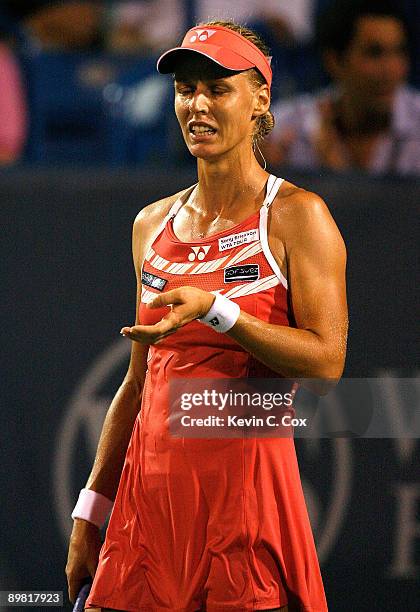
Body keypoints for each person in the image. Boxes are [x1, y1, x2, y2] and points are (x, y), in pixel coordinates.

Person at [66, 21, 348, 612]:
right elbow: (138, 384)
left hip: (244, 513)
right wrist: (92, 511)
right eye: (185, 89)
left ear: (260, 100)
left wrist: (220, 311)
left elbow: (327, 359)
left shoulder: (297, 215)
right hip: (146, 517)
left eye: (218, 89)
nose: (197, 104)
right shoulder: (152, 225)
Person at [264, 0, 420, 175]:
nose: (392, 69)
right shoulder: (287, 131)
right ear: (334, 61)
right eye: (374, 53)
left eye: (399, 52)